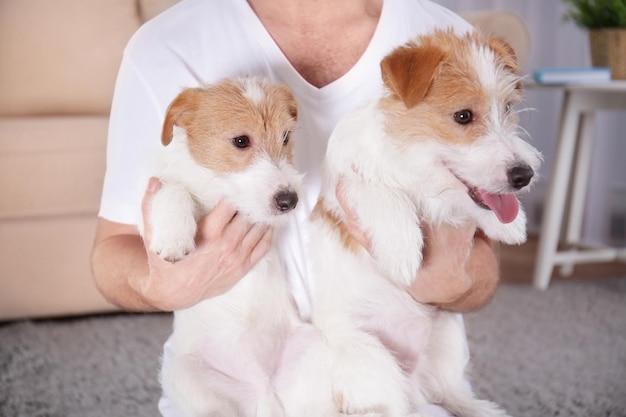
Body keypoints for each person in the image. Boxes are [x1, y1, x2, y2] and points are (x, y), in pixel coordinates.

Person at [91, 0, 500, 415]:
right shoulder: (164, 46)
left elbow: (486, 254)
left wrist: (456, 283)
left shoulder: (448, 41)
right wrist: (158, 286)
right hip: (225, 387)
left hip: (403, 383)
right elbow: (113, 248)